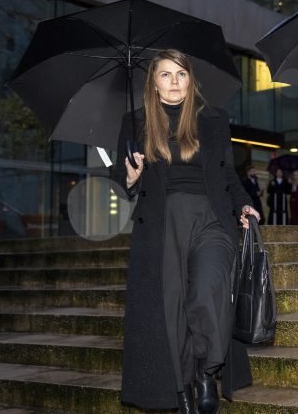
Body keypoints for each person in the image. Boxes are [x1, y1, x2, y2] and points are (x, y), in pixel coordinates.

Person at [111, 49, 261, 414]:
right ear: (153, 82)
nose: (174, 82)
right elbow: (120, 180)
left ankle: (208, 371)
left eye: (181, 74)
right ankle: (181, 391)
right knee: (171, 309)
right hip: (163, 225)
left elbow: (227, 174)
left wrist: (243, 204)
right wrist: (129, 178)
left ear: (191, 79)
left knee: (208, 294)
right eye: (165, 74)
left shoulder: (212, 118)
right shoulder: (134, 122)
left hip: (211, 219)